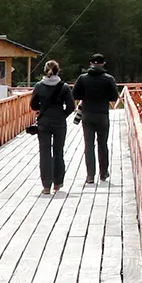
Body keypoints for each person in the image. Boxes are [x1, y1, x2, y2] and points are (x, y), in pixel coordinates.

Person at [71, 53, 120, 186]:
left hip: (87, 114)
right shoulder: (109, 79)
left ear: (90, 63)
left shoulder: (82, 78)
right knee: (102, 144)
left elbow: (75, 94)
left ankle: (90, 175)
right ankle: (103, 173)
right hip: (102, 114)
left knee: (89, 145)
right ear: (103, 64)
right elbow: (114, 97)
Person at [30, 59, 76, 195]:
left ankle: (46, 186)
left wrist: (41, 109)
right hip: (59, 122)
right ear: (58, 70)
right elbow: (71, 106)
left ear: (45, 71)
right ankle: (58, 182)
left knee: (44, 154)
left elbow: (33, 105)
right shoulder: (64, 87)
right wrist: (62, 115)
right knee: (58, 152)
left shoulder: (39, 86)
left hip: (44, 122)